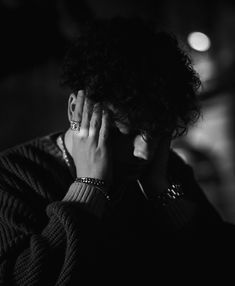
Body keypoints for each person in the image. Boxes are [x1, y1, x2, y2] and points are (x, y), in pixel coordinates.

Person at [0, 17, 233, 285]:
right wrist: (88, 189)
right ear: (76, 109)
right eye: (126, 131)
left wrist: (162, 193)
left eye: (156, 132)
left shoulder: (168, 169)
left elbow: (223, 262)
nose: (144, 152)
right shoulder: (12, 178)